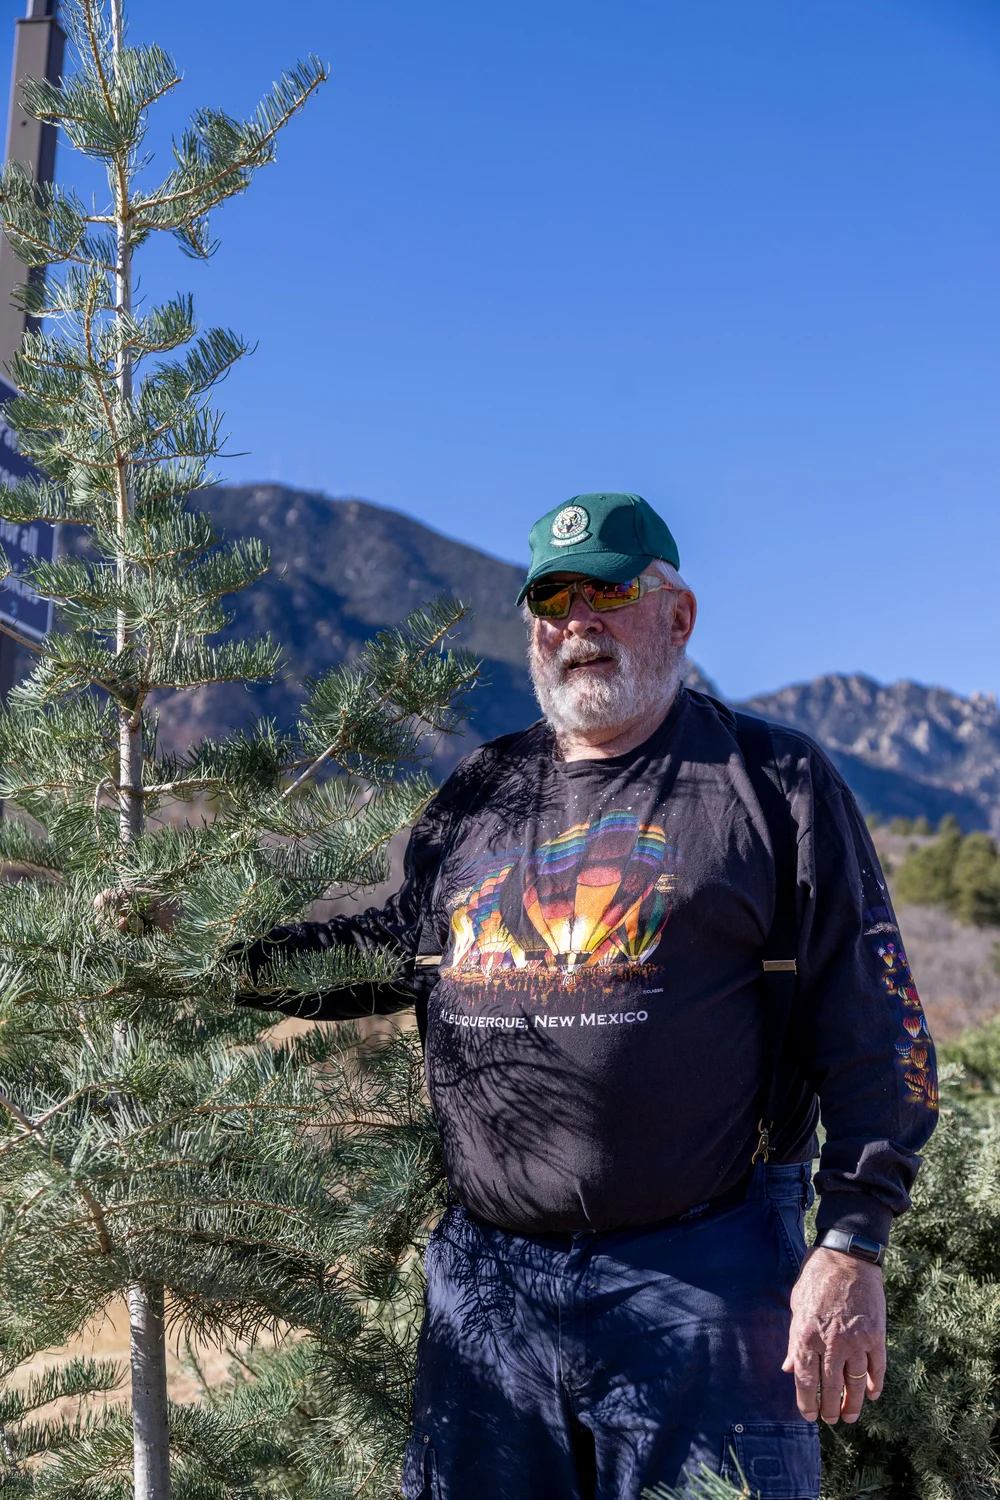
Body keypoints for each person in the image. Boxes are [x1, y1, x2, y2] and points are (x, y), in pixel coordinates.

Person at [196, 495, 942, 1498]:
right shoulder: (484, 786)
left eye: (608, 591)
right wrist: (211, 956)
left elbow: (877, 1024)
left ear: (678, 615)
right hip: (488, 1287)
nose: (578, 620)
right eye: (552, 599)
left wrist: (852, 1241)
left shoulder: (771, 781)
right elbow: (392, 946)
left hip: (706, 1269)